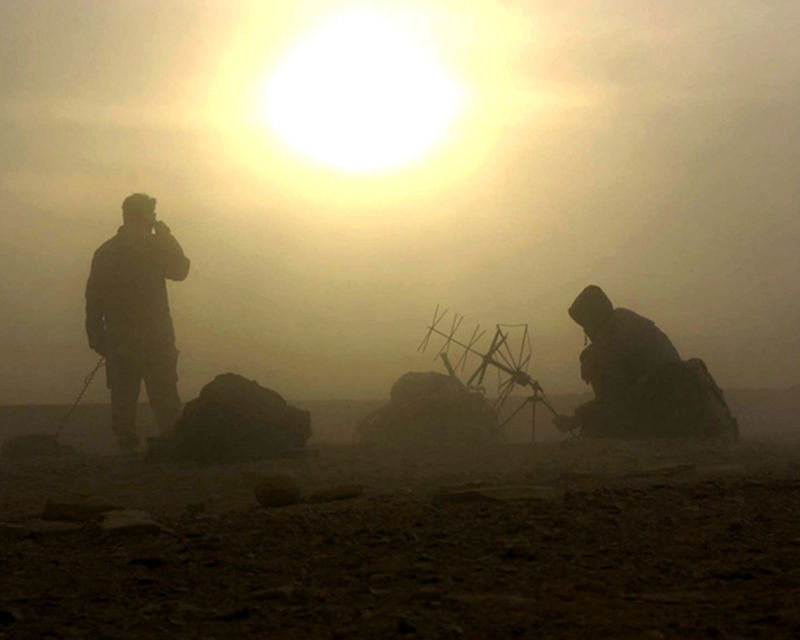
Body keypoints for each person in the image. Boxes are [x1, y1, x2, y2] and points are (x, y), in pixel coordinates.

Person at [554, 285, 738, 439]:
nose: (585, 332)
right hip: (691, 413)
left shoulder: (605, 344)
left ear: (591, 319)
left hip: (665, 417)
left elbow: (614, 402)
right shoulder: (630, 322)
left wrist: (577, 419)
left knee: (593, 432)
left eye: (585, 325)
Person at [85, 193, 190, 453]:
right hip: (153, 338)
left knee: (124, 399)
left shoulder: (106, 251)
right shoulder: (153, 247)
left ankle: (128, 449)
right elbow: (180, 271)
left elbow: (93, 299)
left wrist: (97, 336)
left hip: (122, 339)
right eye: (151, 214)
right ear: (146, 216)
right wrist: (166, 237)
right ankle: (171, 444)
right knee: (163, 396)